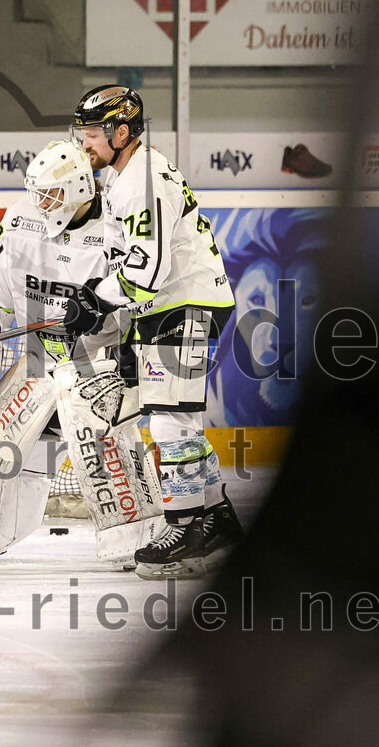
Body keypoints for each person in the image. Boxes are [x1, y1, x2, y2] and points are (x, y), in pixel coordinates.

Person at [0, 139, 164, 563]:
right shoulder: (21, 221)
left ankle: (136, 535)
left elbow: (145, 294)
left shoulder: (116, 226)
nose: (41, 203)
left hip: (100, 369)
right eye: (37, 193)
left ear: (80, 189)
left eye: (51, 194)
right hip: (40, 362)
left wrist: (135, 354)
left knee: (92, 428)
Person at [65, 85, 243, 580]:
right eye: (81, 132)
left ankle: (186, 528)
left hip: (185, 304)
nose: (83, 143)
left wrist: (96, 299)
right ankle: (216, 518)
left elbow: (147, 269)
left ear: (122, 132)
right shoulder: (125, 175)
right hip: (171, 306)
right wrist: (117, 320)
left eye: (92, 133)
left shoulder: (141, 180)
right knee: (178, 420)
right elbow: (133, 267)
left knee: (170, 424)